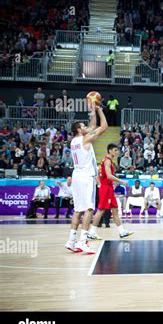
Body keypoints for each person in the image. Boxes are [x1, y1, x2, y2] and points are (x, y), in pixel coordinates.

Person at [65, 102, 108, 254]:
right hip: (85, 176)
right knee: (89, 209)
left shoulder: (74, 141)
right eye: (83, 126)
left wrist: (93, 112)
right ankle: (83, 241)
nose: (86, 127)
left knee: (77, 210)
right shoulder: (85, 139)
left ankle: (71, 241)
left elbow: (92, 126)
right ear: (79, 129)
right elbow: (103, 127)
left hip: (76, 175)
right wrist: (101, 111)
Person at [88, 143, 133, 239]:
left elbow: (103, 176)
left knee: (115, 209)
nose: (117, 152)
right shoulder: (107, 161)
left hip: (108, 187)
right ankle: (91, 232)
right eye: (115, 150)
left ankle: (122, 231)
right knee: (101, 210)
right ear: (110, 150)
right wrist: (122, 181)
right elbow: (108, 176)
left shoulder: (107, 161)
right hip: (105, 188)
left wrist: (112, 184)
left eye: (117, 150)